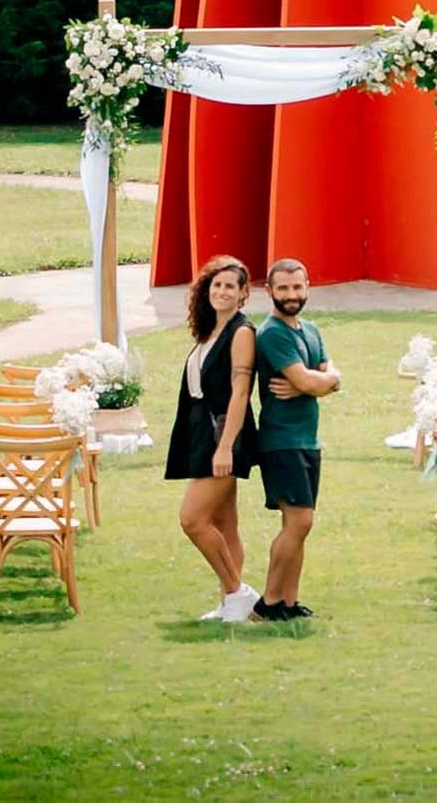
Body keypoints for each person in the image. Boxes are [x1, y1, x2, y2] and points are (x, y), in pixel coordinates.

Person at [164, 253, 262, 622]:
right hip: (201, 433)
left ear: (242, 294)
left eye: (229, 287)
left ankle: (238, 592)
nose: (221, 291)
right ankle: (230, 605)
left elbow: (241, 393)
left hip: (225, 435)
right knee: (225, 525)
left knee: (192, 519)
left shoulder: (241, 332)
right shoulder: (209, 332)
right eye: (216, 284)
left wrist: (225, 447)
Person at [252, 257, 341, 620]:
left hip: (307, 440)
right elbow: (309, 380)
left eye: (297, 287)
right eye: (284, 288)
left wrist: (324, 381)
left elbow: (326, 375)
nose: (292, 295)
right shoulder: (272, 333)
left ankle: (289, 602)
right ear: (269, 291)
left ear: (307, 287)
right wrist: (317, 383)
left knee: (296, 527)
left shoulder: (311, 330)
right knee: (301, 522)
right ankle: (267, 603)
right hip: (281, 441)